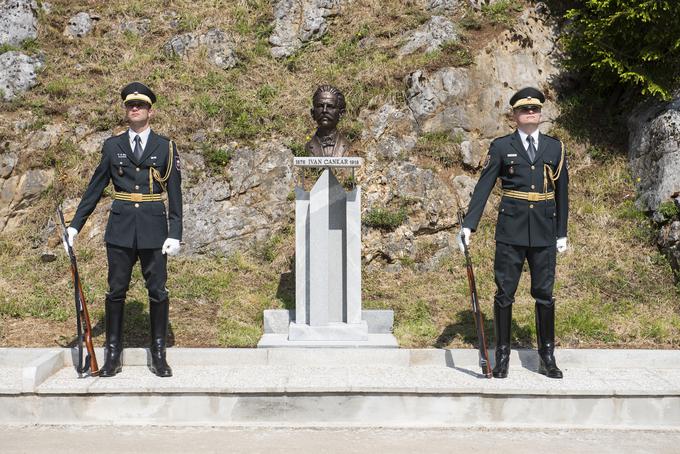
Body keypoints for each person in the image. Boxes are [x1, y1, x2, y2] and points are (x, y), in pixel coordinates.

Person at [64, 82, 182, 377]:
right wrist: (75, 226)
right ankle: (113, 354)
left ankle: (158, 353)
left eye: (140, 105)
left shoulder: (165, 146)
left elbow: (176, 192)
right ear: (126, 110)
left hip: (154, 228)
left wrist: (175, 232)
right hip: (121, 228)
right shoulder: (112, 146)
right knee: (116, 290)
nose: (135, 109)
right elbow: (95, 188)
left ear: (150, 111)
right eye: (130, 105)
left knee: (157, 290)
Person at [458, 87, 568, 379]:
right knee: (504, 294)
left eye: (534, 109)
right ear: (515, 115)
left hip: (544, 231)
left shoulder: (555, 148)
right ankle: (503, 355)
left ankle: (547, 356)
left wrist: (562, 232)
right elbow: (484, 186)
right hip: (510, 231)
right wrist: (469, 224)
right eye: (524, 110)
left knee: (544, 294)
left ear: (540, 114)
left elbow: (562, 193)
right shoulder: (501, 146)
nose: (530, 113)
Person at [305, 85, 352, 157]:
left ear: (341, 113)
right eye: (320, 106)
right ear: (313, 113)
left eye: (330, 106)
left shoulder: (348, 147)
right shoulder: (307, 147)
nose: (324, 110)